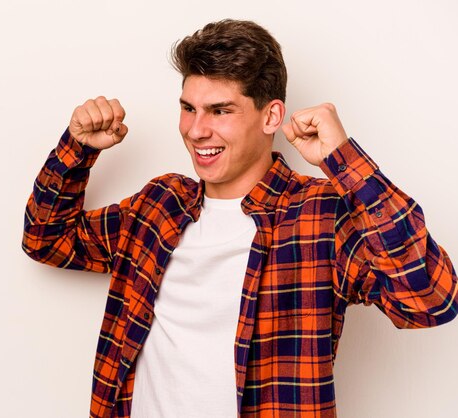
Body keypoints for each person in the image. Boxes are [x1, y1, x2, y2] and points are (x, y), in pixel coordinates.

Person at [22, 19, 458, 418]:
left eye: (220, 110)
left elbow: (430, 302)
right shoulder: (158, 204)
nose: (196, 130)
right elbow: (46, 240)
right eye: (189, 108)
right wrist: (77, 150)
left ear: (271, 115)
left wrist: (344, 160)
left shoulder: (321, 215)